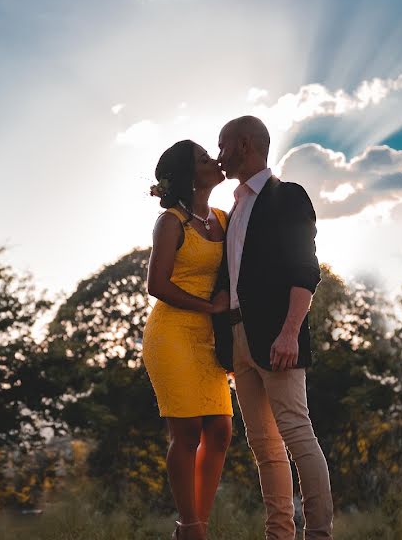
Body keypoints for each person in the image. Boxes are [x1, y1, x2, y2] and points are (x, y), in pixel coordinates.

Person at [212, 115, 333, 539]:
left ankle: (319, 534)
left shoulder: (288, 196)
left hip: (279, 337)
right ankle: (279, 535)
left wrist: (289, 332)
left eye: (223, 145)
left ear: (245, 144)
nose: (218, 154)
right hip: (240, 341)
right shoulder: (235, 207)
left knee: (298, 435)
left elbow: (305, 269)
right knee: (264, 447)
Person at [143, 139, 232, 540]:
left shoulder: (224, 219)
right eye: (203, 158)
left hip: (209, 339)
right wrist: (209, 307)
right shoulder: (171, 223)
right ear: (188, 174)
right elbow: (156, 283)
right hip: (172, 334)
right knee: (189, 430)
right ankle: (191, 527)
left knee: (221, 431)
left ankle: (195, 524)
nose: (214, 160)